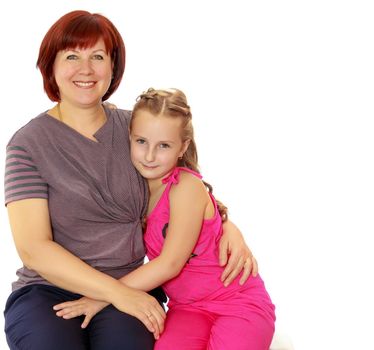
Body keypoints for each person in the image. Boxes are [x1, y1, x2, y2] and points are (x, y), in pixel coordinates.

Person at [4, 10, 258, 350]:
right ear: (51, 65)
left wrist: (227, 226)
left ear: (113, 66)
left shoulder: (136, 130)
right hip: (48, 289)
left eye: (97, 56)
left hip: (130, 282)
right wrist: (115, 294)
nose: (86, 69)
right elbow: (34, 248)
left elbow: (182, 189)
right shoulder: (28, 144)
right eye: (72, 56)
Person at [54, 88, 276, 349]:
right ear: (129, 137)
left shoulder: (185, 186)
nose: (149, 156)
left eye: (164, 146)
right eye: (141, 142)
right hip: (187, 309)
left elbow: (170, 263)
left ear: (182, 147)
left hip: (236, 302)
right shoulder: (135, 187)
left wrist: (102, 297)